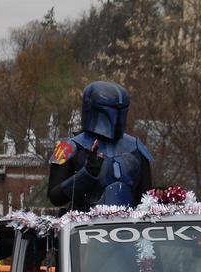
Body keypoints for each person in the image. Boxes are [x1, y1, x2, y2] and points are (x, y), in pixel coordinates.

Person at [47, 81, 154, 211]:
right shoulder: (68, 147)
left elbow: (146, 199)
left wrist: (162, 194)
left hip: (129, 227)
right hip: (84, 226)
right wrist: (86, 174)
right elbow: (55, 197)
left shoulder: (136, 147)